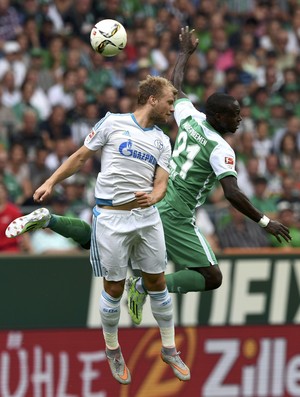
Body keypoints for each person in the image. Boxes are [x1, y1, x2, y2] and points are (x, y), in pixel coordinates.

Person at [6, 28, 291, 321]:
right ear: (219, 117)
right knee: (211, 276)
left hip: (153, 198)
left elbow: (175, 88)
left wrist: (184, 54)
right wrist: (265, 221)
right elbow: (232, 192)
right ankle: (143, 287)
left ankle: (49, 219)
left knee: (99, 243)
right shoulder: (221, 150)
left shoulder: (190, 117)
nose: (240, 118)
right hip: (177, 212)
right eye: (234, 114)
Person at [7, 75, 190, 384]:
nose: (173, 108)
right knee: (114, 288)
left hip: (146, 218)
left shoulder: (162, 140)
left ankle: (169, 348)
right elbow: (80, 157)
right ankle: (112, 348)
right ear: (153, 100)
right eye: (171, 102)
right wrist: (51, 181)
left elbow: (161, 182)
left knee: (157, 281)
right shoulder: (113, 123)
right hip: (111, 219)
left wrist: (156, 196)